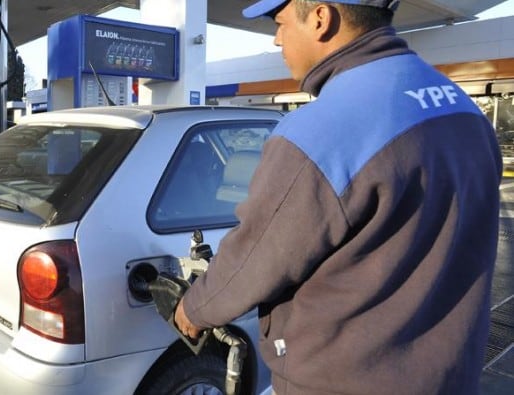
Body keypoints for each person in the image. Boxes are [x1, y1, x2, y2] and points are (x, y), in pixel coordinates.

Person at [173, 1, 501, 394]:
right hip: (450, 375)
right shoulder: (464, 110)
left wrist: (194, 309)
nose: (277, 40)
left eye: (279, 24)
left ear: (320, 19)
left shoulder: (322, 131)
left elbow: (256, 256)